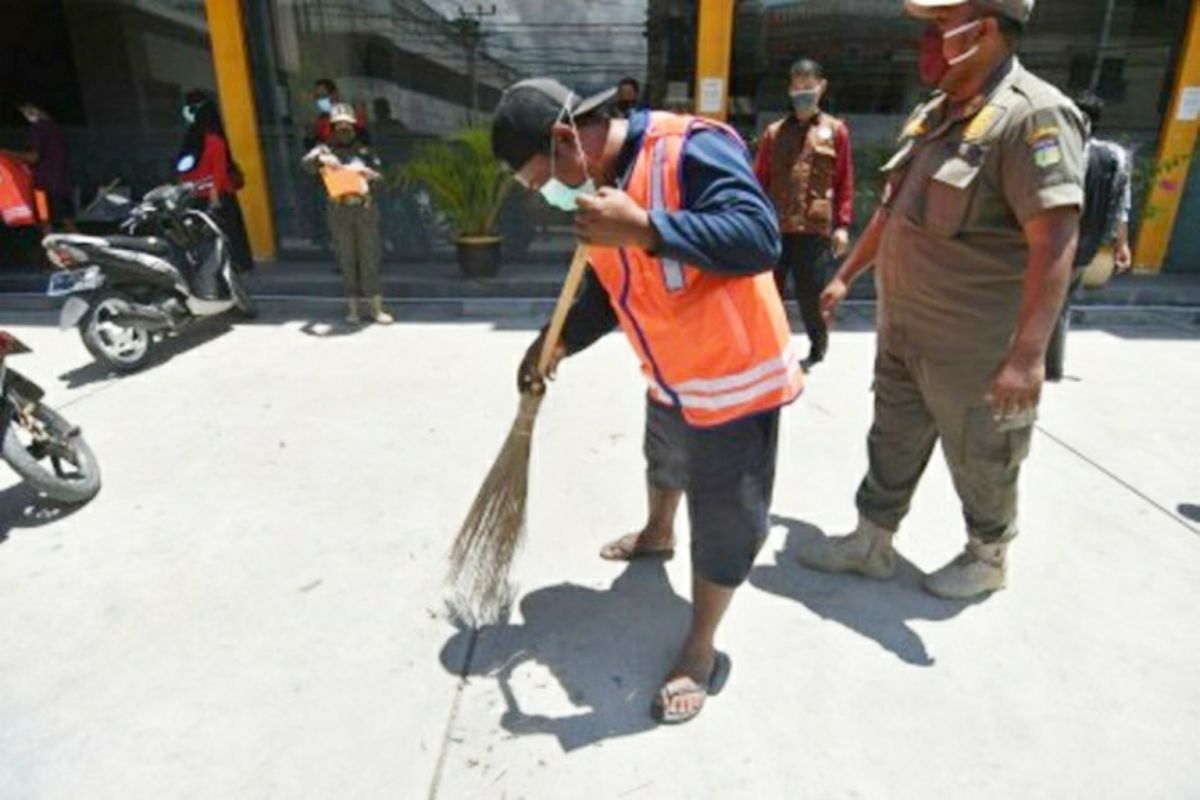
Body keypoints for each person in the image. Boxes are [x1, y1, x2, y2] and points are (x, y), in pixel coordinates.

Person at [493, 78, 800, 724]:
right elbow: (611, 290)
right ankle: (658, 533)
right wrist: (556, 344)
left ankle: (701, 646)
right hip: (669, 372)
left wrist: (648, 228)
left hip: (734, 381)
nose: (544, 195)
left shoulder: (689, 150)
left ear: (564, 139)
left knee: (724, 522)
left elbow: (759, 237)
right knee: (662, 459)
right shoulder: (596, 194)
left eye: (538, 179)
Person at [800, 0, 1085, 600]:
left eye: (936, 26)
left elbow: (1055, 241)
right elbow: (892, 210)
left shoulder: (1033, 116)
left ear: (981, 30)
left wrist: (1027, 357)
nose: (924, 41)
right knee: (892, 435)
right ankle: (873, 540)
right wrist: (846, 275)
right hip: (904, 326)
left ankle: (988, 556)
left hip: (974, 346)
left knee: (983, 454)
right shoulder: (936, 114)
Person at [754, 59, 854, 369]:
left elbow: (844, 180)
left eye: (809, 87)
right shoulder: (773, 133)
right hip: (776, 226)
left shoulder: (836, 131)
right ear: (789, 89)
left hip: (814, 228)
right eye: (797, 88)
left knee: (811, 294)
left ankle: (817, 347)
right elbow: (758, 181)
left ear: (821, 87)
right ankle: (769, 348)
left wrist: (843, 225)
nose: (803, 94)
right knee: (769, 292)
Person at [1044, 93, 1133, 382]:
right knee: (1061, 304)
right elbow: (1122, 206)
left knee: (1035, 301)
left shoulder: (1062, 151)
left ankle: (1030, 362)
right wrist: (1122, 244)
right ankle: (1052, 366)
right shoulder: (1116, 156)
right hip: (1088, 245)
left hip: (1052, 243)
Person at [302, 104, 392, 325]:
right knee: (347, 259)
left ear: (354, 126)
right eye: (339, 126)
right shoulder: (325, 151)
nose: (344, 130)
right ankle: (353, 309)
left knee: (369, 257)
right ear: (333, 128)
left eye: (348, 126)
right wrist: (320, 158)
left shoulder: (366, 151)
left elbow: (383, 179)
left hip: (364, 208)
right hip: (339, 209)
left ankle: (375, 308)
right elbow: (306, 164)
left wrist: (370, 175)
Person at [176, 89, 254, 275]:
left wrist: (208, 196)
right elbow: (209, 170)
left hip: (205, 196)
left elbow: (210, 171)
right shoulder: (205, 138)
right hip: (207, 195)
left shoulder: (201, 140)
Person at [1, 102, 75, 231]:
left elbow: (33, 157)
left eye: (27, 110)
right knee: (68, 223)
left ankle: (53, 248)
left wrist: (6, 153)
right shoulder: (58, 129)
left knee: (45, 223)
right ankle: (82, 247)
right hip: (62, 183)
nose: (25, 114)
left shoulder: (38, 129)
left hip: (43, 184)